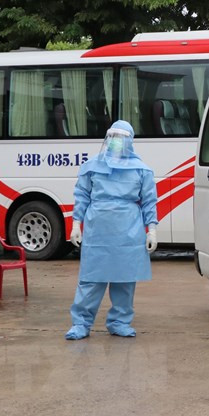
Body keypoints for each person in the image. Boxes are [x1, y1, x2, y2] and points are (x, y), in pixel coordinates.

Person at [64, 120, 158, 340]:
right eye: (112, 137)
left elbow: (149, 201)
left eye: (121, 138)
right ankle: (81, 323)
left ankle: (119, 321)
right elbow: (82, 195)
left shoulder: (141, 170)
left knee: (124, 280)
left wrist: (151, 229)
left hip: (129, 231)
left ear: (130, 141)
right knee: (90, 279)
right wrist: (76, 224)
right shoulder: (92, 166)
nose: (116, 142)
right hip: (98, 230)